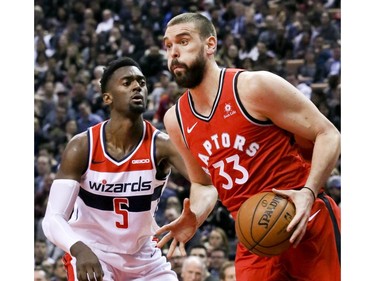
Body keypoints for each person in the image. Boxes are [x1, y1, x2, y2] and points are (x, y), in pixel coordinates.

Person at [156, 12, 341, 281]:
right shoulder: (175, 119)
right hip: (255, 237)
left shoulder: (253, 87)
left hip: (305, 217)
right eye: (168, 46)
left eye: (183, 41)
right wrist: (194, 217)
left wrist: (309, 192)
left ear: (210, 45)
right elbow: (204, 184)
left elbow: (328, 134)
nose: (174, 52)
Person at [42, 57, 189, 281]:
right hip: (93, 252)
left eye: (141, 82)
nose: (137, 86)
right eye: (127, 82)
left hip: (144, 258)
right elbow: (53, 218)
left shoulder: (162, 146)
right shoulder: (82, 146)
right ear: (107, 98)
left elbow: (205, 181)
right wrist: (78, 248)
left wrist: (195, 215)